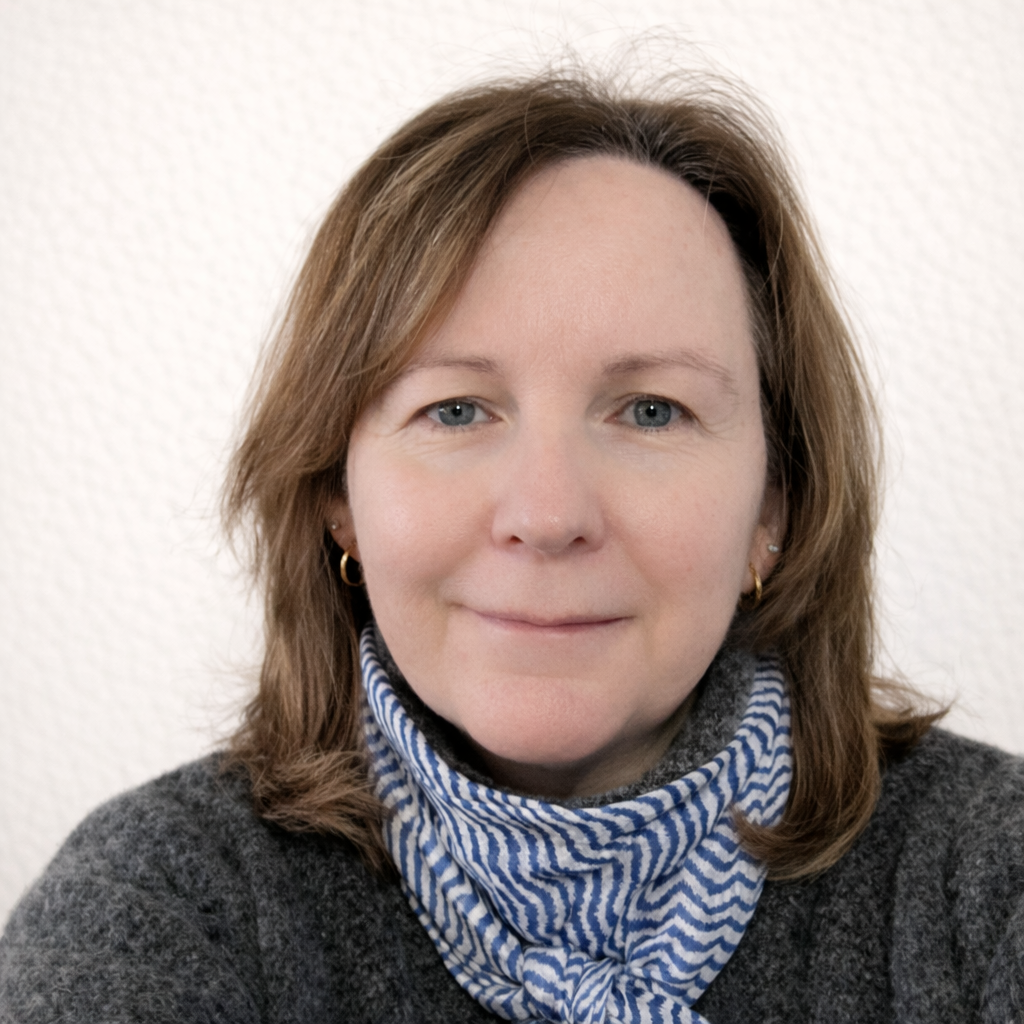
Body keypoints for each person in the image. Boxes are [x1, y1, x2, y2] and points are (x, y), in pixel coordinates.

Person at [1, 68, 1022, 1024]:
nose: (546, 512)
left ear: (776, 503)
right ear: (336, 498)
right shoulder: (163, 906)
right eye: (454, 410)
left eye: (651, 410)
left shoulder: (989, 875)